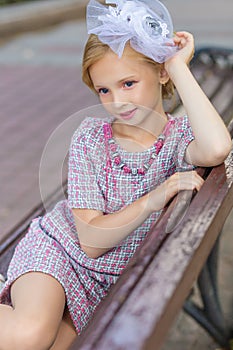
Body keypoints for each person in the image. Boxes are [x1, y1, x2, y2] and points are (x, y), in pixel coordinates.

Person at [0, 0, 231, 349]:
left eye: (128, 83)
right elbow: (91, 243)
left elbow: (216, 148)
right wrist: (155, 198)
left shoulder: (177, 138)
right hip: (61, 251)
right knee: (30, 334)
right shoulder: (90, 138)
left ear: (160, 73)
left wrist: (179, 67)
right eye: (104, 90)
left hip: (104, 282)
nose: (116, 101)